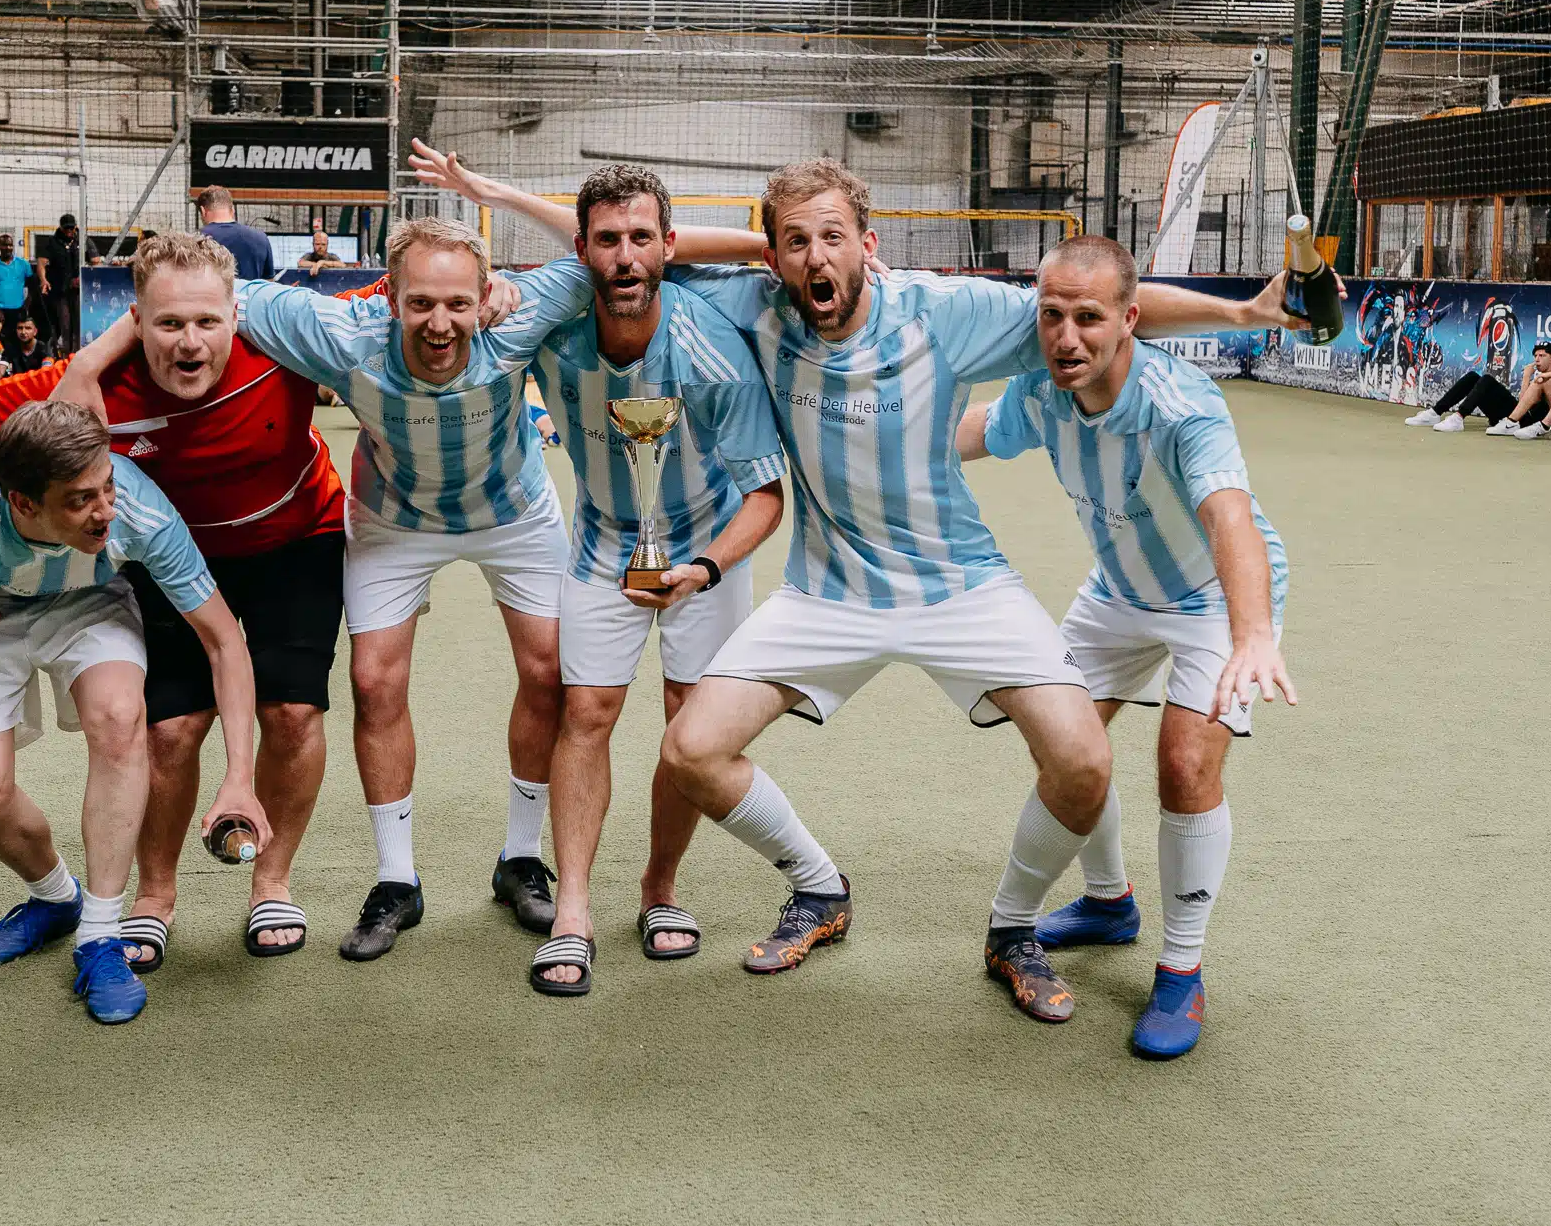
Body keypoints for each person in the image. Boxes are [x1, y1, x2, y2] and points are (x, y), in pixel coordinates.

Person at [428, 149, 1299, 1017]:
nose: (816, 257)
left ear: (868, 245)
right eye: (796, 241)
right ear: (773, 258)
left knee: (1082, 758)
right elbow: (632, 249)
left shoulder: (941, 310)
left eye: (834, 237)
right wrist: (502, 261)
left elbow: (1101, 304)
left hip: (961, 584)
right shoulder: (751, 304)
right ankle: (818, 883)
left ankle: (1011, 927)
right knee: (691, 749)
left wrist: (1242, 312)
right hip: (828, 592)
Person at [0, 238, 408, 965]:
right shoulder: (85, 384)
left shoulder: (282, 345)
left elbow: (400, 294)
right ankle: (155, 895)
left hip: (295, 539)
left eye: (207, 322)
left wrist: (500, 291)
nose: (190, 343)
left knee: (292, 714)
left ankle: (271, 881)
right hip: (172, 560)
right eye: (169, 324)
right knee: (171, 732)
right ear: (135, 321)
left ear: (236, 314)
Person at [215, 216, 598, 963]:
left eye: (458, 303)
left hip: (513, 513)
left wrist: (761, 249)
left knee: (548, 672)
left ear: (486, 294)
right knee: (374, 682)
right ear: (388, 296)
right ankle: (397, 879)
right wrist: (90, 361)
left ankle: (521, 859)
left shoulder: (519, 314)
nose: (440, 323)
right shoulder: (341, 335)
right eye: (420, 302)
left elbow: (627, 252)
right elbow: (212, 290)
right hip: (394, 517)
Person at [955, 236, 1293, 1059]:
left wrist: (1252, 633)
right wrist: (865, 441)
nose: (1067, 338)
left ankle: (1181, 971)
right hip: (1118, 592)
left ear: (1130, 320)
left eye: (1089, 318)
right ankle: (1109, 902)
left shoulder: (1182, 405)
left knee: (1185, 763)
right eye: (1052, 316)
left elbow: (1231, 519)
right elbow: (973, 431)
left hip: (1213, 596)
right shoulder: (1041, 390)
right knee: (1068, 748)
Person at [0, 401, 263, 1024]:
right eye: (82, 499)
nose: (106, 509)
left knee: (119, 717)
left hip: (87, 601)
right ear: (23, 503)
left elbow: (224, 640)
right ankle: (56, 897)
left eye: (107, 486)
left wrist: (240, 776)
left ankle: (101, 935)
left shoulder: (135, 508)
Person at [523, 166, 788, 996]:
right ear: (582, 250)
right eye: (608, 240)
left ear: (669, 246)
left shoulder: (712, 350)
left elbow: (766, 494)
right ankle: (572, 908)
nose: (626, 256)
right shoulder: (553, 334)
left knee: (687, 722)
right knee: (586, 712)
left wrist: (704, 569)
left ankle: (659, 888)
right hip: (604, 540)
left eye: (642, 237)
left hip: (707, 544)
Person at [1406, 343, 1551, 433]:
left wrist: (1526, 377)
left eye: (1542, 356)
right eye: (1536, 356)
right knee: (1473, 377)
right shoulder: (1537, 375)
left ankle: (1459, 417)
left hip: (1523, 421)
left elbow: (1523, 406)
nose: (1537, 359)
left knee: (1487, 380)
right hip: (1506, 416)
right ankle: (1435, 412)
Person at [195, 185, 276, 281]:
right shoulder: (261, 238)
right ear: (232, 210)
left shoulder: (197, 240)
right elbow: (269, 282)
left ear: (203, 211)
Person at [35, 214, 82, 354]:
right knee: (65, 325)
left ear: (76, 227)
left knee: (79, 325)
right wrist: (43, 280)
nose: (69, 231)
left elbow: (95, 259)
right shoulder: (52, 242)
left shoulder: (82, 239)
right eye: (66, 228)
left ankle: (78, 353)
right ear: (60, 227)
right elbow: (41, 263)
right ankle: (66, 355)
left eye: (72, 228)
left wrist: (82, 277)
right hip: (60, 290)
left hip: (79, 291)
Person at [0, 234, 35, 348]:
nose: (7, 248)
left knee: (17, 340)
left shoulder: (23, 264)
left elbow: (32, 286)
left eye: (10, 245)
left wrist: (26, 304)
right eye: (4, 245)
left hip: (18, 309)